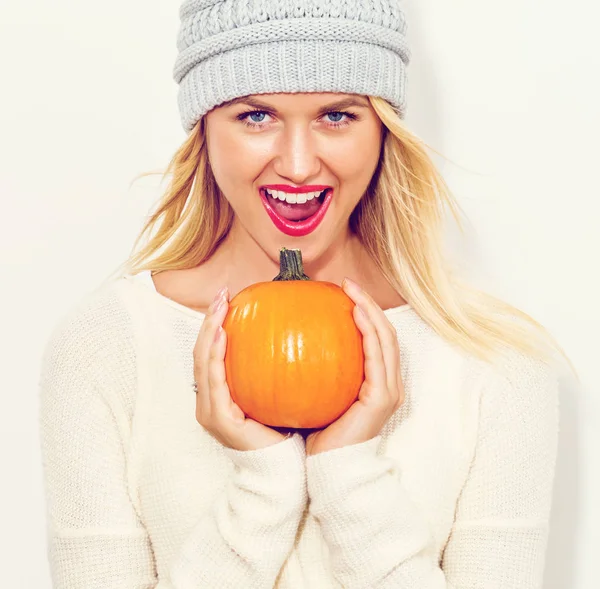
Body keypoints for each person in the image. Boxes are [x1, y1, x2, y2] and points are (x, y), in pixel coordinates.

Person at [38, 1, 574, 587]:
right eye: (256, 116)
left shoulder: (497, 361)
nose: (297, 165)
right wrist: (265, 483)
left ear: (383, 129)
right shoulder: (106, 347)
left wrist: (346, 474)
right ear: (204, 129)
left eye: (337, 116)